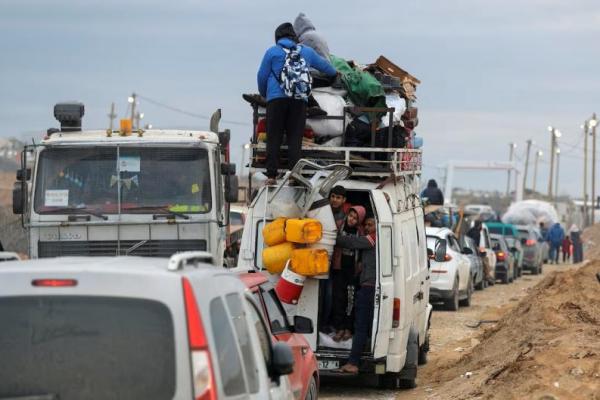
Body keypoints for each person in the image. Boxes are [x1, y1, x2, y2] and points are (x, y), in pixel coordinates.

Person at [257, 22, 337, 185]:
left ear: (277, 37)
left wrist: (266, 95)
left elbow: (262, 76)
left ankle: (272, 176)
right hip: (299, 100)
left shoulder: (272, 52)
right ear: (294, 37)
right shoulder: (306, 52)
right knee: (295, 139)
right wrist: (335, 73)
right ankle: (294, 175)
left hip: (276, 100)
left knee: (274, 138)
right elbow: (325, 67)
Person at [335, 216, 377, 374]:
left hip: (369, 288)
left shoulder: (373, 238)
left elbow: (353, 243)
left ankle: (353, 363)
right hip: (368, 286)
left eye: (370, 224)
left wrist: (334, 238)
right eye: (365, 225)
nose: (367, 227)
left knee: (361, 326)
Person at [331, 206, 365, 342]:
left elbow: (362, 249)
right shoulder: (339, 226)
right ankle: (339, 328)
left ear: (359, 220)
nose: (352, 219)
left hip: (352, 272)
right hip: (339, 269)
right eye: (350, 216)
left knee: (350, 301)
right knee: (338, 299)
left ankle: (348, 328)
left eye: (355, 218)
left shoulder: (360, 232)